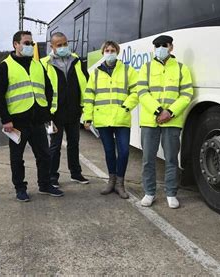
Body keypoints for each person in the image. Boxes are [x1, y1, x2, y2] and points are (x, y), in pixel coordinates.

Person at [0, 30, 64, 202]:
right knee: (17, 158)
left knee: (44, 155)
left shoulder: (37, 65)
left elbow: (48, 89)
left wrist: (47, 114)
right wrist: (6, 120)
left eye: (31, 43)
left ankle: (45, 185)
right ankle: (20, 188)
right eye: (26, 43)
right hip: (17, 122)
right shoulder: (5, 66)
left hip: (38, 120)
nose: (30, 46)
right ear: (15, 45)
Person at [137, 35, 193, 209]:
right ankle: (149, 193)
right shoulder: (145, 68)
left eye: (164, 45)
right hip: (150, 120)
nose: (160, 48)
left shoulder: (182, 68)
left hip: (172, 121)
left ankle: (171, 193)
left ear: (171, 47)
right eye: (157, 45)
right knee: (148, 159)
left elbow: (187, 94)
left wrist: (170, 112)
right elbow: (142, 92)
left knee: (171, 159)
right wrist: (159, 111)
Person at [83, 41, 138, 199]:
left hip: (121, 118)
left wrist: (126, 107)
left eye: (112, 50)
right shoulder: (95, 73)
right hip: (103, 119)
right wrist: (88, 117)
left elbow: (136, 91)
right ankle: (111, 181)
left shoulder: (128, 70)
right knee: (108, 152)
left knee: (124, 152)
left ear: (117, 52)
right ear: (103, 53)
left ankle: (120, 183)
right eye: (107, 50)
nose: (110, 52)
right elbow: (89, 96)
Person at [40, 32, 89, 188]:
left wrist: (83, 106)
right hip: (52, 114)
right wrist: (45, 114)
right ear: (52, 46)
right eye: (59, 45)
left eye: (64, 44)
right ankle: (52, 176)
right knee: (54, 146)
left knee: (74, 143)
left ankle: (76, 173)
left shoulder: (77, 61)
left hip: (74, 111)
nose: (62, 47)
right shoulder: (44, 63)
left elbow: (84, 83)